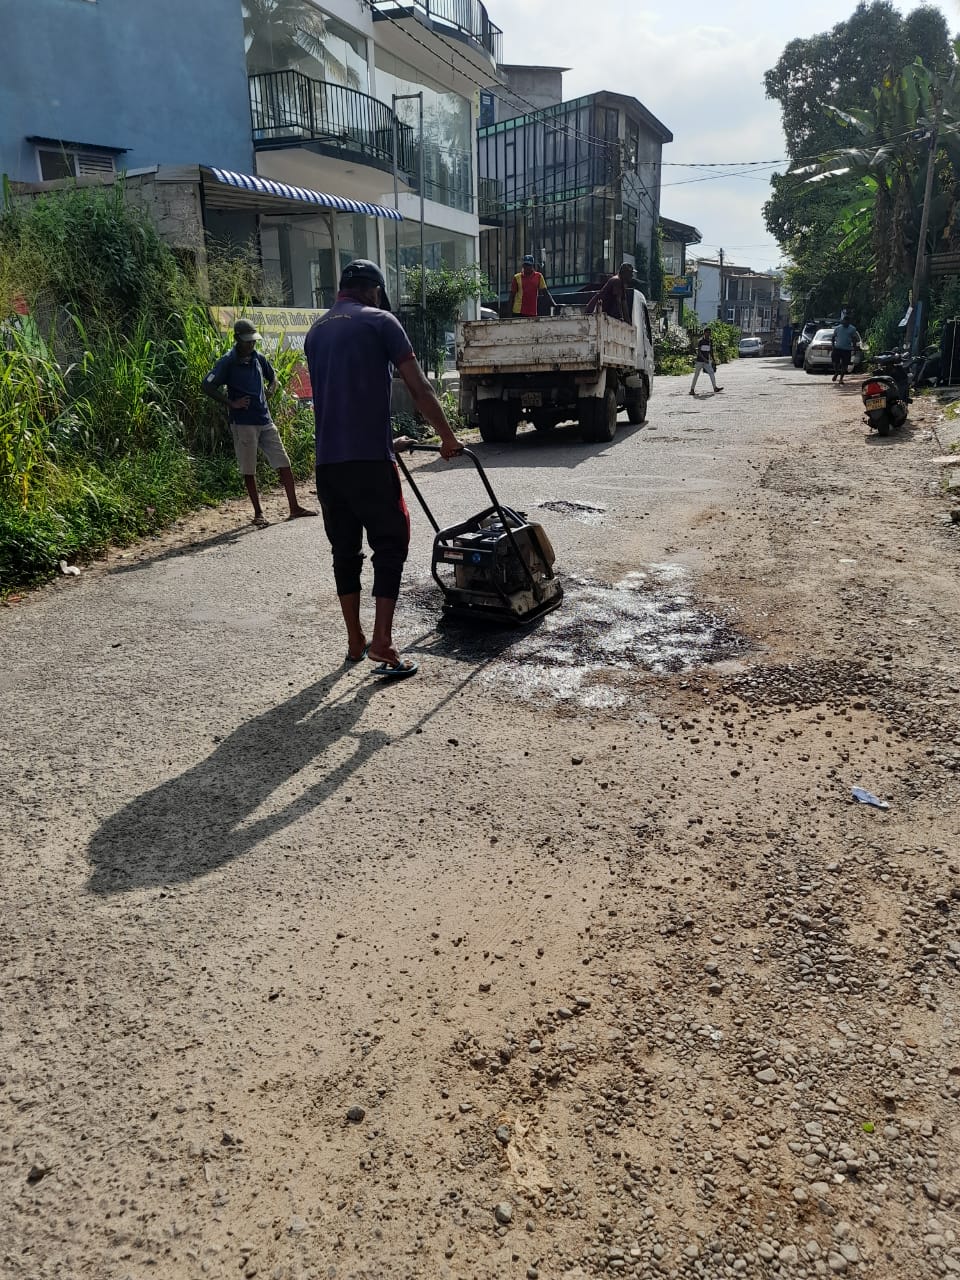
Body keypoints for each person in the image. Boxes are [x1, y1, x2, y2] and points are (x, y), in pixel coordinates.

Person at [304, 259, 463, 680]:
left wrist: (388, 441)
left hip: (329, 465)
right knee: (391, 544)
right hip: (371, 465)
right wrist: (448, 438)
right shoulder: (381, 321)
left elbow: (341, 399)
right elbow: (419, 387)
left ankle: (355, 640)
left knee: (345, 552)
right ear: (374, 290)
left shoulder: (316, 332)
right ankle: (383, 642)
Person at [202, 318, 317, 528]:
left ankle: (294, 507)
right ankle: (258, 513)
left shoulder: (258, 358)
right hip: (243, 423)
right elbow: (207, 386)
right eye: (247, 341)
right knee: (249, 468)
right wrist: (231, 403)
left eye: (253, 340)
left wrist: (271, 388)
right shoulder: (227, 361)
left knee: (284, 462)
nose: (251, 344)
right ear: (237, 339)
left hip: (265, 419)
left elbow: (273, 378)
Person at [689, 327, 723, 396]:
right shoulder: (701, 341)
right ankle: (692, 390)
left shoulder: (710, 341)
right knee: (696, 375)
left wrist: (713, 360)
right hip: (700, 361)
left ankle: (715, 388)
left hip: (707, 361)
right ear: (704, 333)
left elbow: (711, 351)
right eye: (707, 332)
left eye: (709, 332)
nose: (708, 334)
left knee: (711, 373)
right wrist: (704, 359)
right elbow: (699, 352)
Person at [831, 312, 861, 385]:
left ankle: (841, 379)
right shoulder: (838, 328)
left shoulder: (852, 329)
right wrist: (833, 346)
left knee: (845, 365)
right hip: (837, 348)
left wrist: (854, 348)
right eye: (845, 322)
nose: (846, 324)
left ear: (849, 322)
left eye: (847, 322)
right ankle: (836, 372)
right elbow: (833, 337)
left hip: (847, 349)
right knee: (835, 362)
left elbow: (854, 339)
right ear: (843, 321)